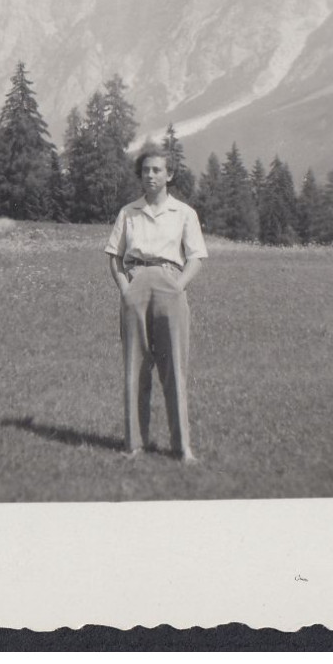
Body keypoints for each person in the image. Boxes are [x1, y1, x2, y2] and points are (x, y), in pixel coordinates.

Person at [105, 140, 208, 462]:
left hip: (170, 285)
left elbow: (196, 257)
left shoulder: (184, 213)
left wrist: (178, 286)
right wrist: (124, 287)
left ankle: (182, 448)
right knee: (135, 367)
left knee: (174, 367)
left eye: (156, 170)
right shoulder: (129, 212)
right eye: (145, 170)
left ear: (169, 175)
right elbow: (114, 256)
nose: (150, 175)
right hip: (136, 284)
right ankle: (134, 445)